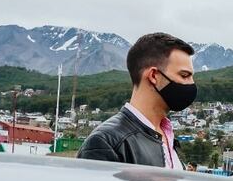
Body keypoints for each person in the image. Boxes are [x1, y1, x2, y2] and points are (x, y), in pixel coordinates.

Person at [77, 32, 196, 168]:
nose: (191, 83)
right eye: (184, 75)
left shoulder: (167, 136)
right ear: (154, 76)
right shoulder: (106, 143)